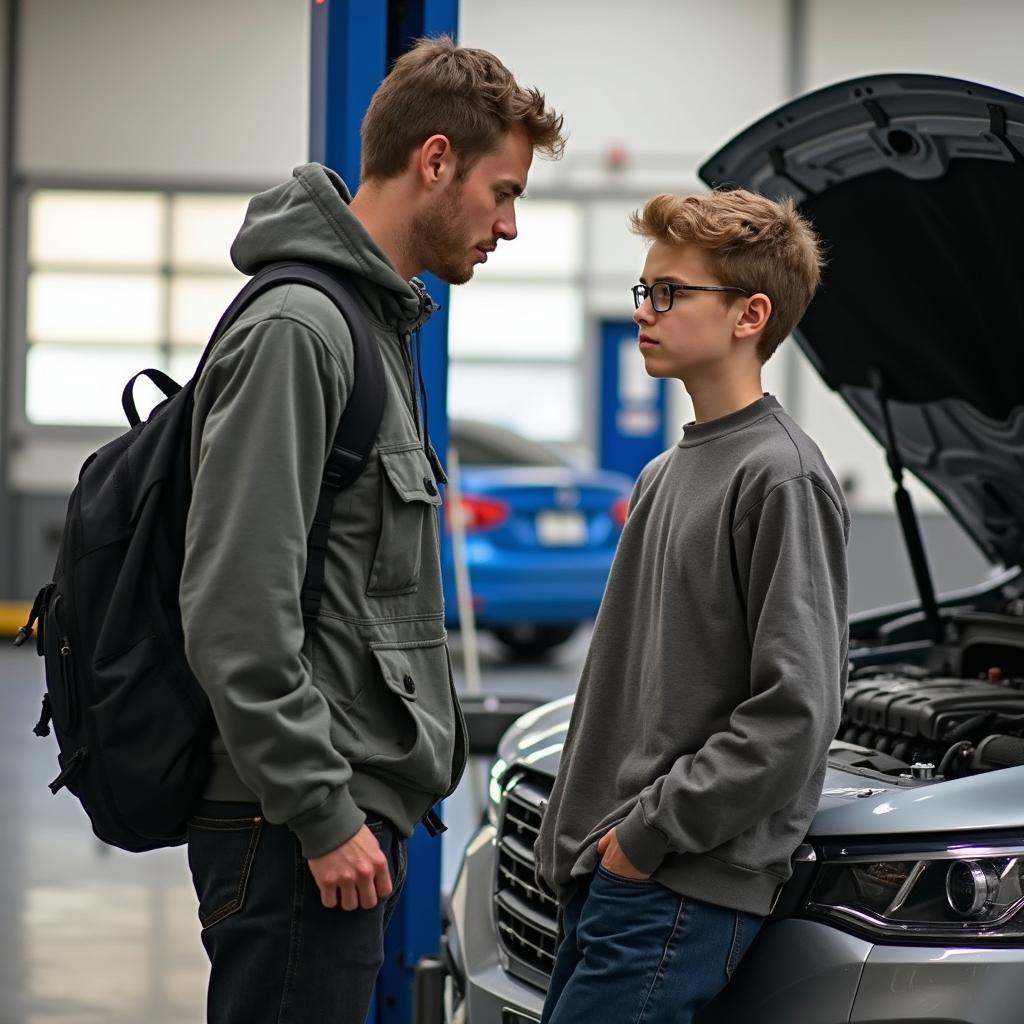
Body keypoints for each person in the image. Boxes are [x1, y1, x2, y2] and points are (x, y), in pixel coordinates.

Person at [179, 36, 564, 1023]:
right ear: (434, 160)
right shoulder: (304, 333)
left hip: (328, 820)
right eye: (502, 190)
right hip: (293, 826)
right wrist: (318, 808)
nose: (509, 225)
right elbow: (234, 606)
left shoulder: (373, 327)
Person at [534, 189, 849, 1024]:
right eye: (645, 290)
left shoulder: (781, 476)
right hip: (612, 874)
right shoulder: (662, 476)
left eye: (670, 292)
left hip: (675, 885)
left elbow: (795, 712)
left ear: (750, 314)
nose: (646, 310)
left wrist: (647, 836)